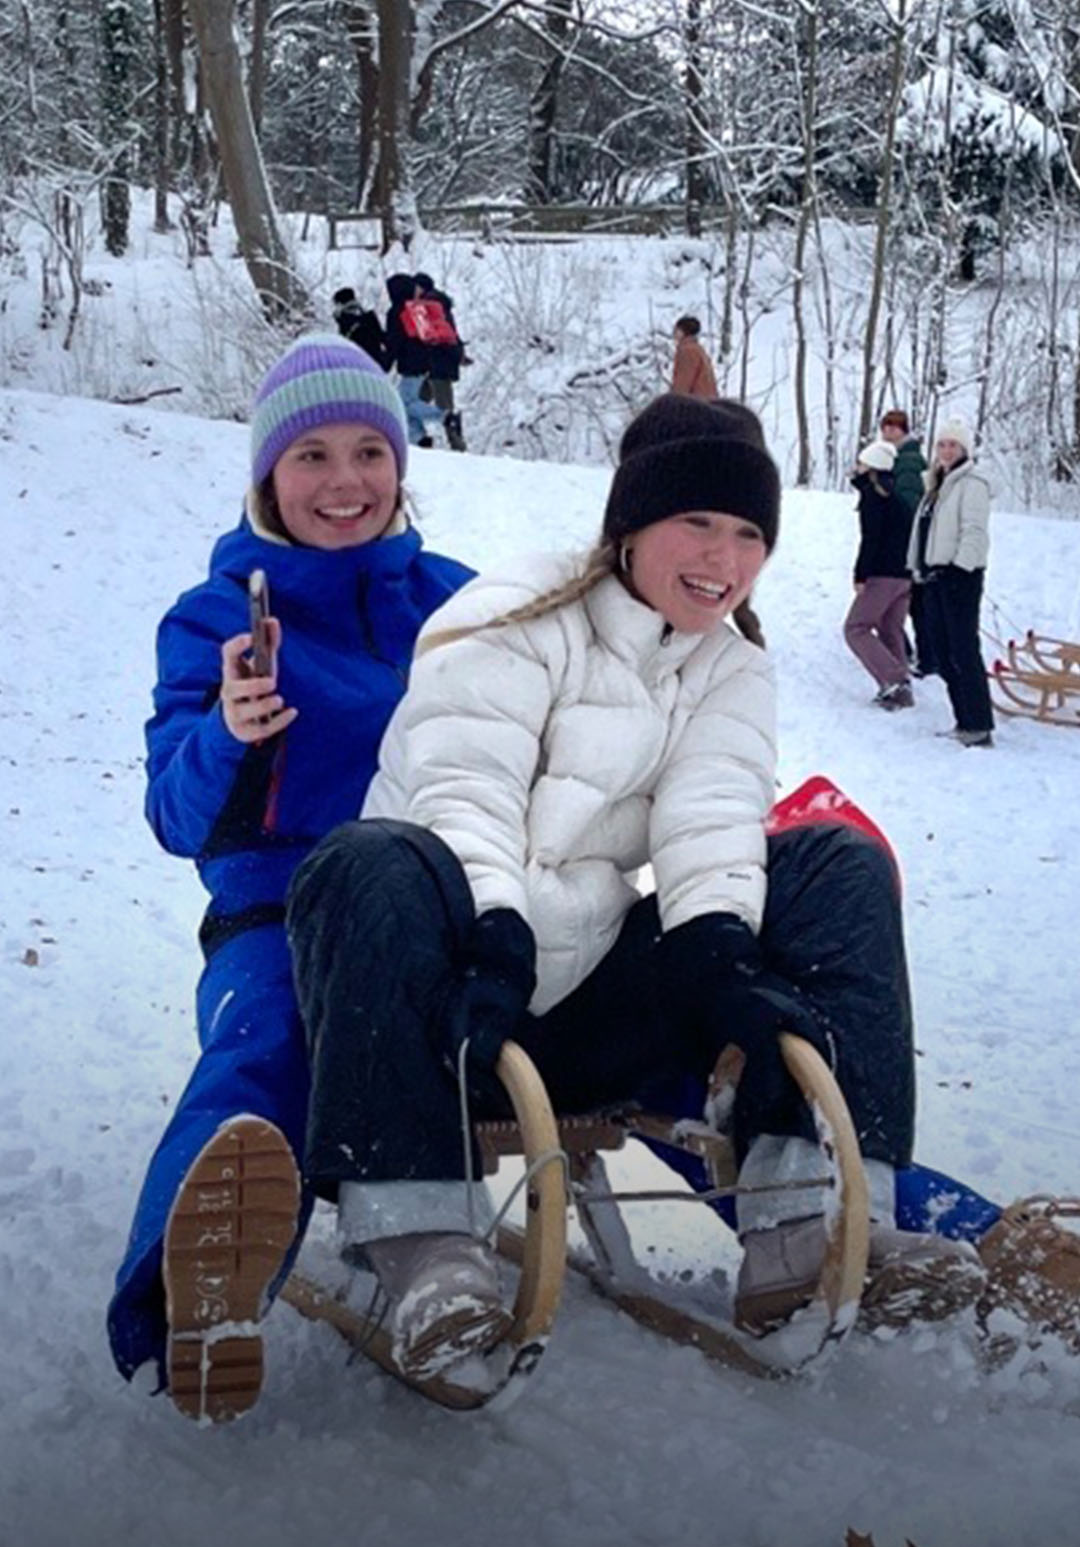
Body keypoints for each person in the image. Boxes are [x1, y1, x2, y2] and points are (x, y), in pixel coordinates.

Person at [285, 394, 983, 1382]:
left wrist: (722, 955)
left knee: (836, 861)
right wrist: (494, 936)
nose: (724, 557)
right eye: (697, 521)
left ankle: (814, 1226)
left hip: (584, 1012)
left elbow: (711, 825)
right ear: (632, 521)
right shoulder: (514, 614)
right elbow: (461, 793)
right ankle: (422, 1252)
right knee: (361, 860)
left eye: (750, 534)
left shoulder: (730, 668)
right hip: (441, 1001)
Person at [107, 332, 474, 1418]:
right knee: (270, 1044)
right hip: (279, 915)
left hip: (447, 903)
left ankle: (858, 1218)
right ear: (269, 474)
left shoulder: (458, 603)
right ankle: (186, 1294)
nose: (346, 481)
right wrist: (228, 731)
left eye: (371, 451)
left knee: (640, 1005)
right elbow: (174, 817)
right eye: (313, 455)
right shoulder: (217, 615)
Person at [907, 417, 993, 746]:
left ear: (964, 449)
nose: (946, 450)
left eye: (953, 445)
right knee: (942, 651)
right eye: (942, 444)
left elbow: (974, 531)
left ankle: (978, 724)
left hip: (959, 577)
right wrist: (917, 567)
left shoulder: (972, 483)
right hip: (933, 577)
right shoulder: (937, 484)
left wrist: (960, 569)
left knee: (963, 650)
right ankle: (963, 720)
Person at [843, 437, 917, 710]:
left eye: (862, 463)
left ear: (871, 467)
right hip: (904, 576)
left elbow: (871, 540)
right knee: (890, 628)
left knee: (855, 628)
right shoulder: (897, 498)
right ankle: (901, 688)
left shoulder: (873, 499)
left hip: (882, 575)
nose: (857, 467)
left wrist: (861, 575)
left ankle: (895, 680)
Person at [879, 406, 931, 676]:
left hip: (907, 541)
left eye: (894, 426)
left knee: (908, 601)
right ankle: (911, 653)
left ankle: (921, 656)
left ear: (903, 430)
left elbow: (908, 502)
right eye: (885, 426)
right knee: (906, 601)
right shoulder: (896, 456)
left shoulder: (908, 460)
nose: (888, 431)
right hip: (905, 541)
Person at [384, 272, 444, 449]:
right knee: (406, 403)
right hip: (425, 361)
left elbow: (394, 341)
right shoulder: (416, 308)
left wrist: (385, 362)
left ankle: (444, 416)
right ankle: (418, 439)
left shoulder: (396, 311)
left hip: (411, 364)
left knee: (405, 403)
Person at [413, 272, 467, 452]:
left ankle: (457, 445)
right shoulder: (440, 304)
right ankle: (418, 440)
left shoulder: (427, 305)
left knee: (442, 406)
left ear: (421, 287)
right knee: (416, 401)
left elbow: (425, 334)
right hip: (442, 360)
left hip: (438, 361)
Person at [331, 285, 387, 369]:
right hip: (375, 366)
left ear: (340, 304)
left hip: (356, 367)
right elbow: (384, 339)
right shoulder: (369, 317)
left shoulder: (345, 321)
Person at [670, 316, 718, 399]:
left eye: (677, 330)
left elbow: (683, 382)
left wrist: (675, 401)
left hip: (695, 402)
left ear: (683, 332)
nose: (674, 333)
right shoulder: (698, 349)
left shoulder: (687, 351)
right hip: (707, 401)